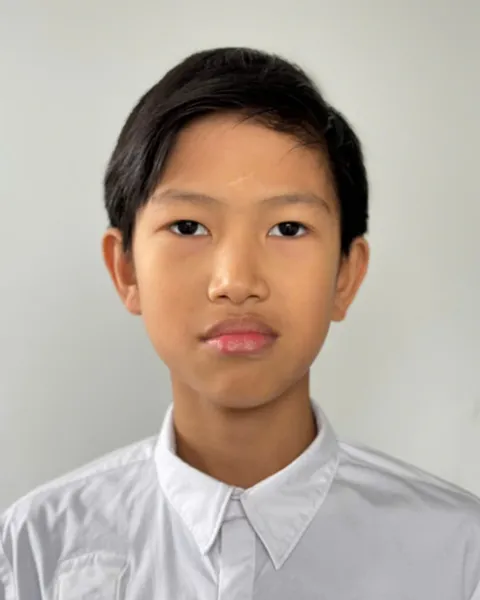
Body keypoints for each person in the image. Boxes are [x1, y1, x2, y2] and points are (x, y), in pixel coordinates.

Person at [1, 46, 479, 600]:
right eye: (188, 226)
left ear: (346, 275)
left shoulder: (459, 556)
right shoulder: (35, 550)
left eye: (288, 229)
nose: (236, 281)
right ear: (126, 269)